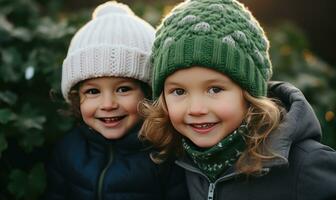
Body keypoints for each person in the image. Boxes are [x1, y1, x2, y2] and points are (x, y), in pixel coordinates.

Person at [139, 0, 336, 199]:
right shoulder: (177, 161)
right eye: (179, 92)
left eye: (214, 89)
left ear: (249, 93)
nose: (196, 109)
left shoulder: (306, 166)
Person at [45, 1, 189, 200]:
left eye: (123, 89)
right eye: (93, 91)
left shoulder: (165, 154)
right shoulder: (68, 150)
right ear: (76, 98)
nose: (108, 104)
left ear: (149, 94)